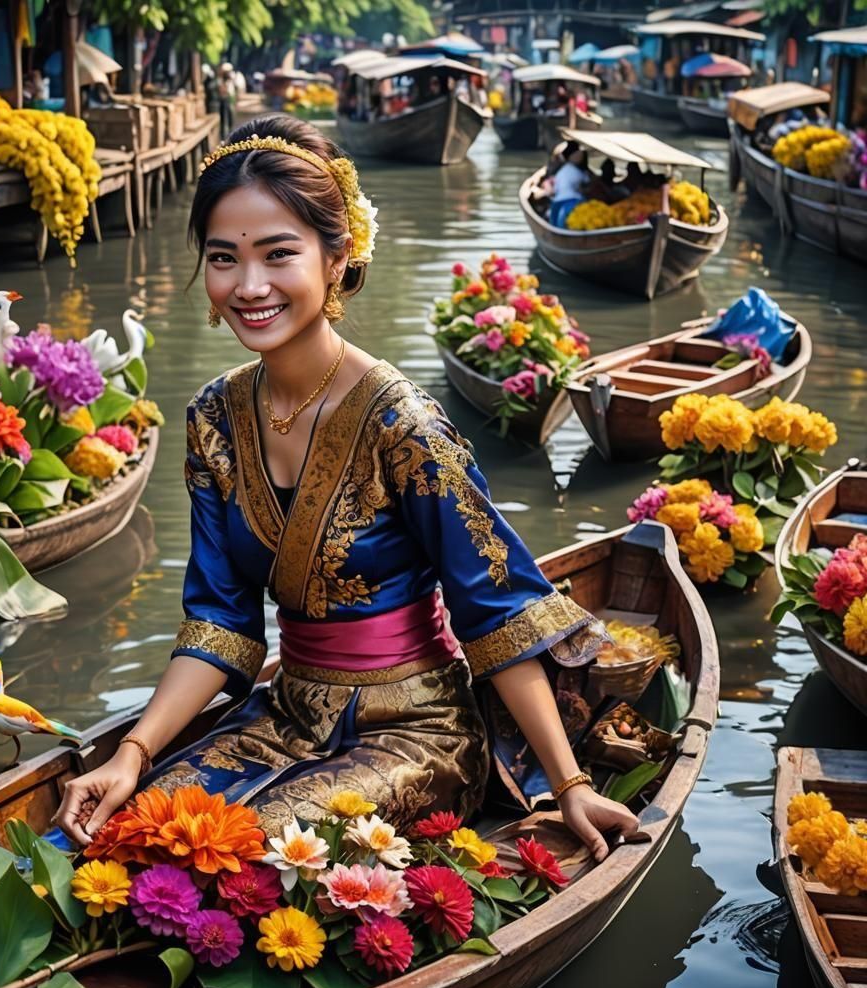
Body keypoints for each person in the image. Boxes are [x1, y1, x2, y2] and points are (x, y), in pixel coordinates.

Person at [53, 115, 639, 861]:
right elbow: (220, 620)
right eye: (224, 258)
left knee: (241, 853)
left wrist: (570, 784)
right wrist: (132, 755)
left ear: (337, 258)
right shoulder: (212, 418)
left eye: (279, 254)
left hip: (420, 731)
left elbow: (497, 611)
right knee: (125, 834)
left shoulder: (405, 425)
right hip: (287, 712)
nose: (249, 286)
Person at [548, 141, 591, 227]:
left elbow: (555, 190)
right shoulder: (580, 172)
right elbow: (587, 182)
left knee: (555, 224)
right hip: (574, 201)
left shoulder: (561, 172)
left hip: (557, 202)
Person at [217, 62, 236, 135]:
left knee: (230, 116)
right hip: (223, 100)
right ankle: (223, 134)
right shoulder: (220, 80)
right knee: (223, 117)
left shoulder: (230, 79)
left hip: (229, 99)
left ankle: (231, 132)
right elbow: (221, 90)